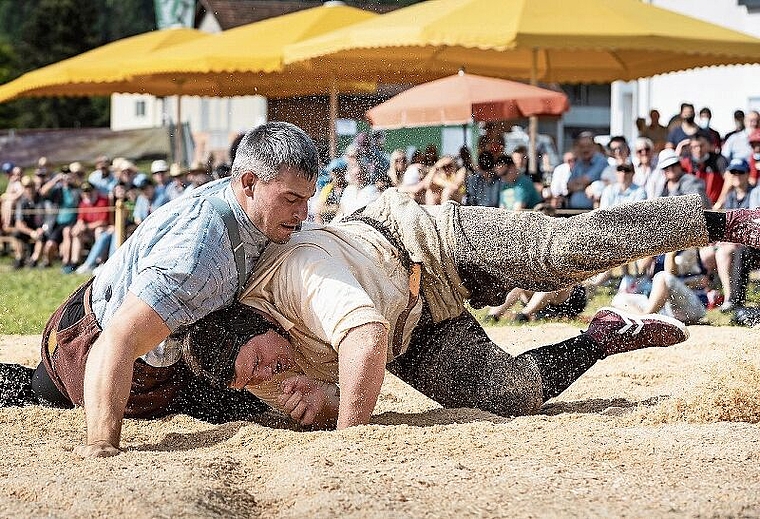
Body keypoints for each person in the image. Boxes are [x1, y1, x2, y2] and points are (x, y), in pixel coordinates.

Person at [209, 188, 760, 430]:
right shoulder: (243, 369)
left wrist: (350, 432)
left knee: (562, 253)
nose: (269, 375)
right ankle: (604, 335)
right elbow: (331, 385)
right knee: (510, 396)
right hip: (415, 329)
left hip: (423, 241)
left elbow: (365, 337)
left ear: (255, 322)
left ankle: (723, 224)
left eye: (262, 361)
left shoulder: (294, 276)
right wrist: (322, 405)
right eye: (252, 379)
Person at [23, 122, 319, 458]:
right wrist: (101, 444)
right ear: (248, 183)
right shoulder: (198, 255)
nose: (302, 213)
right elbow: (118, 339)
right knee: (41, 390)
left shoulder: (244, 202)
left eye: (307, 199)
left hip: (141, 337)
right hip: (90, 348)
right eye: (291, 199)